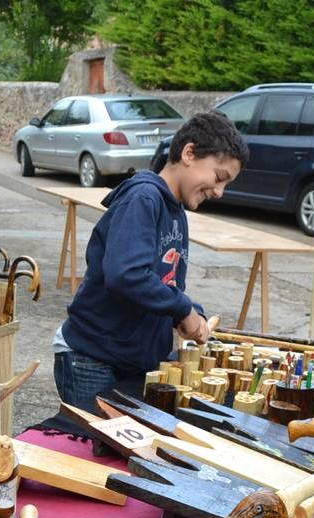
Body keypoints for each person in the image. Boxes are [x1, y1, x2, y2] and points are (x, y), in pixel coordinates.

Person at [52, 110, 247, 412]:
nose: (220, 192)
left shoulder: (176, 212)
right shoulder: (143, 198)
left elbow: (164, 285)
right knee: (91, 450)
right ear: (189, 153)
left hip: (127, 359)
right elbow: (126, 275)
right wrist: (181, 309)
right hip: (92, 359)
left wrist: (188, 314)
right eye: (219, 177)